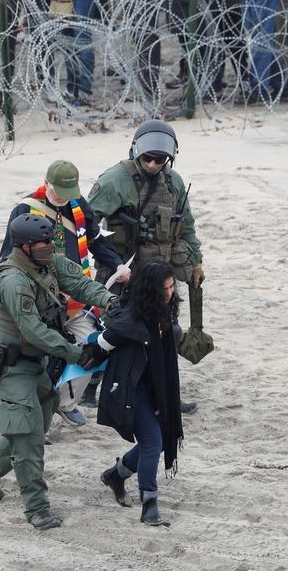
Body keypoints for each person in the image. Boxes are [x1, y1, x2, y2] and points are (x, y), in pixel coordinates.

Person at [0, 213, 116, 531]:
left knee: (36, 421)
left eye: (51, 241)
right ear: (24, 246)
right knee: (28, 436)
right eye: (43, 242)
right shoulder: (13, 282)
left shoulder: (48, 263)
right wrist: (78, 354)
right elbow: (32, 330)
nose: (50, 246)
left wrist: (110, 301)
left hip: (38, 362)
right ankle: (37, 508)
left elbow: (81, 284)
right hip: (11, 366)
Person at [87, 120, 203, 416]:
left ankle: (165, 394)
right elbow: (86, 223)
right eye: (148, 158)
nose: (153, 164)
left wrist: (197, 261)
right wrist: (109, 259)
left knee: (166, 332)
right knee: (112, 328)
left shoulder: (174, 183)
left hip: (159, 274)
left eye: (159, 159)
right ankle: (89, 388)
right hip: (122, 271)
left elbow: (187, 225)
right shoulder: (115, 180)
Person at [0, 160, 120, 426]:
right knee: (38, 355)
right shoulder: (25, 209)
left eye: (69, 193)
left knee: (92, 343)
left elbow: (95, 239)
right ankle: (38, 410)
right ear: (46, 183)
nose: (64, 198)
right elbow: (8, 256)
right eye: (58, 193)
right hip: (40, 299)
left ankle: (65, 402)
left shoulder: (79, 205)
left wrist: (118, 264)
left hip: (75, 298)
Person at [91, 258, 184, 526]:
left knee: (157, 440)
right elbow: (100, 347)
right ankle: (149, 504)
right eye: (164, 289)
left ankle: (116, 475)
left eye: (171, 287)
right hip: (132, 391)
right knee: (153, 443)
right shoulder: (128, 321)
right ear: (149, 290)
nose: (169, 294)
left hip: (157, 388)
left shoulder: (164, 310)